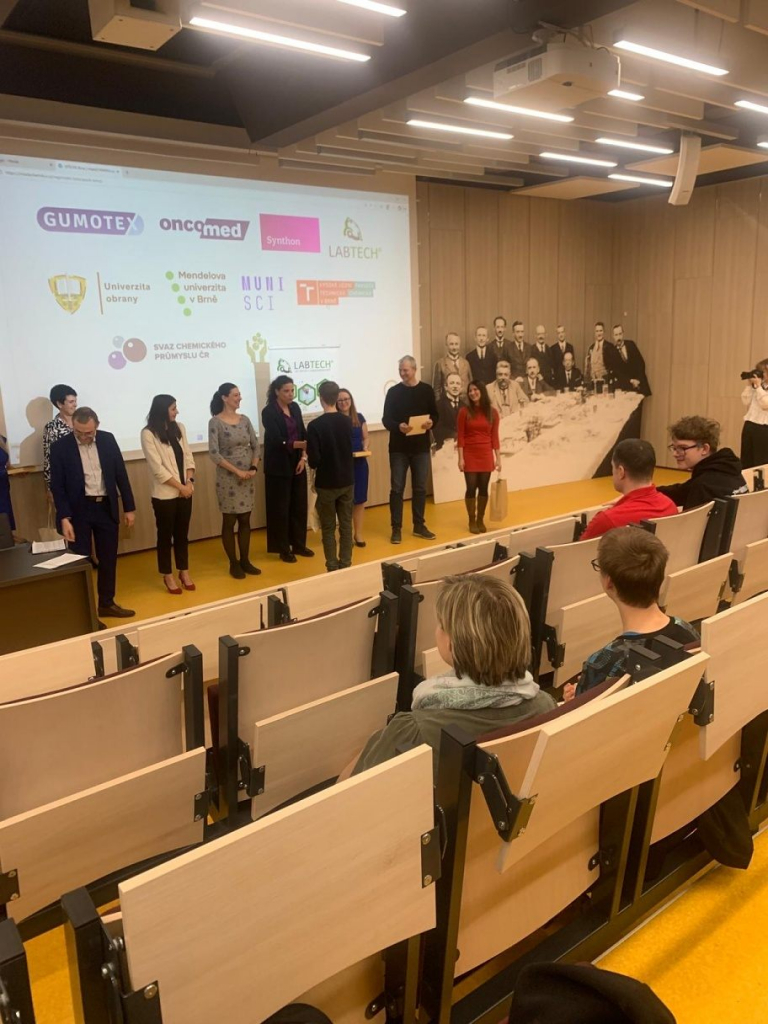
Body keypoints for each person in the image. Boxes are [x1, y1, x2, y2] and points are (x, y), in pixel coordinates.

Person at [351, 574, 555, 776]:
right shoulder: (546, 706)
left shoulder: (415, 732)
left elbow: (354, 787)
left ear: (452, 642)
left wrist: (377, 741)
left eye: (441, 624)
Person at [564, 528, 699, 699]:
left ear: (609, 583)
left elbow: (580, 712)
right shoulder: (687, 629)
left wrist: (573, 698)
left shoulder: (603, 662)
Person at [50, 406, 136, 618]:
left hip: (105, 506)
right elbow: (57, 486)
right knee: (81, 561)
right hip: (79, 510)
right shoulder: (60, 447)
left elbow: (120, 474)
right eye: (78, 432)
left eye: (88, 433)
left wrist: (129, 507)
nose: (83, 437)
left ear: (97, 425)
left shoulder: (107, 440)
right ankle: (84, 612)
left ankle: (106, 604)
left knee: (108, 559)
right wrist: (64, 517)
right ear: (73, 426)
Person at [141, 394, 197, 594]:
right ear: (162, 410)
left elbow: (188, 456)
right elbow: (158, 469)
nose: (176, 412)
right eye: (173, 408)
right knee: (165, 536)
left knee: (182, 535)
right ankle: (167, 575)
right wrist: (180, 487)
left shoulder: (179, 428)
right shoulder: (148, 433)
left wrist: (189, 482)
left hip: (185, 491)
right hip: (164, 495)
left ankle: (184, 571)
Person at [382, 355, 439, 544]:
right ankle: (396, 528)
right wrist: (398, 426)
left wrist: (431, 423)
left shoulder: (426, 390)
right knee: (397, 489)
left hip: (421, 448)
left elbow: (435, 415)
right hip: (398, 448)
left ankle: (419, 526)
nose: (402, 373)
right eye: (400, 370)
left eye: (405, 370)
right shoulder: (393, 392)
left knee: (420, 488)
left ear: (414, 370)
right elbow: (386, 419)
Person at [209, 382, 262, 579]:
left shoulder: (245, 419)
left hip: (247, 478)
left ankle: (245, 560)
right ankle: (234, 563)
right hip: (228, 479)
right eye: (235, 395)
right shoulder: (215, 422)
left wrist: (253, 467)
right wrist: (237, 471)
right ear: (224, 398)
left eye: (240, 395)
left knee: (245, 519)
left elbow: (255, 446)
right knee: (230, 520)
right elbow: (214, 453)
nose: (240, 398)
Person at [580, 439, 678, 541]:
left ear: (621, 472)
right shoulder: (670, 506)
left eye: (612, 467)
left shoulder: (607, 520)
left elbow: (578, 549)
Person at [261, 375, 313, 564]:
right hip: (278, 465)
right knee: (280, 509)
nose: (290, 394)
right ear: (277, 391)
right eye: (286, 391)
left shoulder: (295, 407)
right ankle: (283, 549)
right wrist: (298, 444)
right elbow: (276, 439)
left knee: (299, 505)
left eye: (292, 390)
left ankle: (299, 544)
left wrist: (303, 457)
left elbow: (303, 433)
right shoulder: (269, 412)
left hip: (297, 461)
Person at [307, 381, 354, 573]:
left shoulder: (314, 426)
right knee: (346, 525)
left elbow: (314, 461)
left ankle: (332, 567)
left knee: (328, 528)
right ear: (336, 398)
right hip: (347, 479)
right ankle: (346, 563)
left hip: (326, 483)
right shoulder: (347, 422)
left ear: (321, 398)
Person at [657, 416, 747, 511]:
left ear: (704, 449)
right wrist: (651, 492)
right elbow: (683, 490)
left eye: (682, 448)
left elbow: (689, 519)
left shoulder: (703, 486)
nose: (675, 454)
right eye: (674, 448)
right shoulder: (727, 468)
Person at [457, 380, 501, 534]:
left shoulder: (493, 412)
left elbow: (494, 437)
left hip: (486, 454)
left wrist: (498, 458)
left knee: (483, 488)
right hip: (469, 454)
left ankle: (480, 519)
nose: (472, 393)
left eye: (475, 389)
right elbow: (460, 436)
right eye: (470, 390)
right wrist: (460, 458)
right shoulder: (464, 412)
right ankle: (471, 519)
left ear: (482, 391)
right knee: (471, 488)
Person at [337, 388, 369, 548]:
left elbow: (366, 438)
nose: (344, 402)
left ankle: (358, 533)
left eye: (346, 399)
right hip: (343, 464)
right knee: (345, 501)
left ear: (351, 400)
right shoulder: (335, 419)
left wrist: (365, 447)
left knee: (359, 500)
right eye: (340, 400)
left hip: (360, 463)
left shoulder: (359, 417)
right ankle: (346, 534)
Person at [42, 384, 77, 490]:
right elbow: (49, 458)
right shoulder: (51, 427)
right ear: (59, 404)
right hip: (65, 480)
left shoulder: (82, 421)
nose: (75, 405)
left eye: (75, 401)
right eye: (71, 402)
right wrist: (50, 488)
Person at [740, 359, 768, 469]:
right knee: (746, 459)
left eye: (762, 372)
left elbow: (765, 404)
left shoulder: (759, 387)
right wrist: (750, 386)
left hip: (764, 429)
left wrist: (759, 388)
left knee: (761, 461)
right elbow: (745, 401)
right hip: (750, 425)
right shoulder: (757, 386)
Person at [611, 324, 651, 396]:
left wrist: (638, 380)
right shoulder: (613, 352)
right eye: (616, 335)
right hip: (626, 386)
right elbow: (617, 372)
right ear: (613, 336)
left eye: (620, 334)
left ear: (623, 334)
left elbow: (640, 363)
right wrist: (630, 381)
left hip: (638, 384)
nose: (618, 337)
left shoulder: (631, 344)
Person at [432, 332, 471, 401]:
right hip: (448, 403)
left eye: (456, 344)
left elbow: (471, 383)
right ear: (446, 345)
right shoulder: (440, 364)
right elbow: (436, 389)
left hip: (465, 403)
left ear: (459, 345)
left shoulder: (466, 363)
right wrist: (439, 404)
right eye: (451, 344)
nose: (454, 347)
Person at [432, 372, 465, 450]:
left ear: (461, 388)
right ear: (446, 387)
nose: (455, 386)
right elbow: (437, 429)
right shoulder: (438, 405)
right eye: (452, 383)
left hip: (462, 446)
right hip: (444, 448)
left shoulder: (465, 406)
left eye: (458, 383)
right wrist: (455, 436)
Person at [585, 321, 620, 387]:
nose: (599, 333)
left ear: (604, 332)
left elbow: (614, 366)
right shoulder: (591, 348)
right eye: (597, 331)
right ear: (595, 333)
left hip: (606, 382)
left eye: (601, 331)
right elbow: (589, 367)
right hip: (594, 382)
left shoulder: (609, 346)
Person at [0, 434, 14, 530]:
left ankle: (8, 534)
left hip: (3, 485)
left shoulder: (1, 439)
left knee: (6, 512)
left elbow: (7, 463)